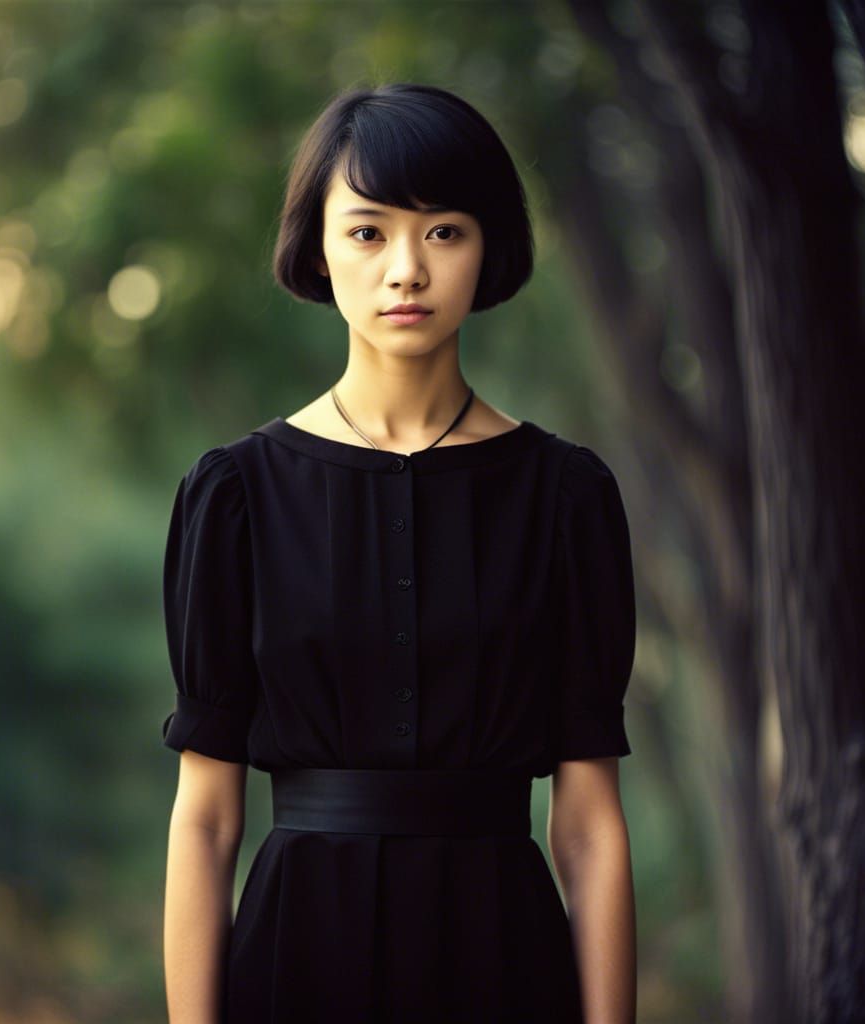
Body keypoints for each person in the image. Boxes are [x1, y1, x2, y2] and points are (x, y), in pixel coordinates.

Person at [160, 81, 637, 1024]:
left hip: (506, 959)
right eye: (369, 231)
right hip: (296, 959)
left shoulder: (566, 495)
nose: (405, 270)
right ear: (319, 246)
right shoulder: (236, 496)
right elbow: (208, 818)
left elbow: (587, 824)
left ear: (488, 244)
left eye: (444, 231)